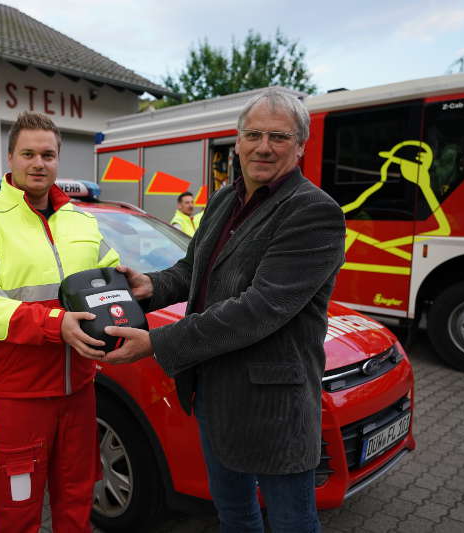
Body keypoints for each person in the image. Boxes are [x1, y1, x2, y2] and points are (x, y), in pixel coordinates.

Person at [103, 88, 346, 533]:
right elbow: (193, 269)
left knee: (292, 523)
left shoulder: (312, 211)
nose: (264, 146)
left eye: (279, 137)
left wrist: (156, 341)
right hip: (215, 395)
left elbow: (260, 309)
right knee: (233, 515)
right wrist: (149, 287)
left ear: (300, 146)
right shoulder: (222, 200)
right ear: (237, 141)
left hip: (275, 409)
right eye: (253, 134)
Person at [0, 111, 119, 533]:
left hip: (79, 392)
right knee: (16, 517)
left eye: (47, 154)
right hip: (17, 398)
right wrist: (53, 324)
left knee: (76, 506)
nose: (38, 163)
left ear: (58, 159)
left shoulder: (82, 221)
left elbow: (108, 275)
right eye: (28, 153)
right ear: (10, 158)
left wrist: (129, 284)